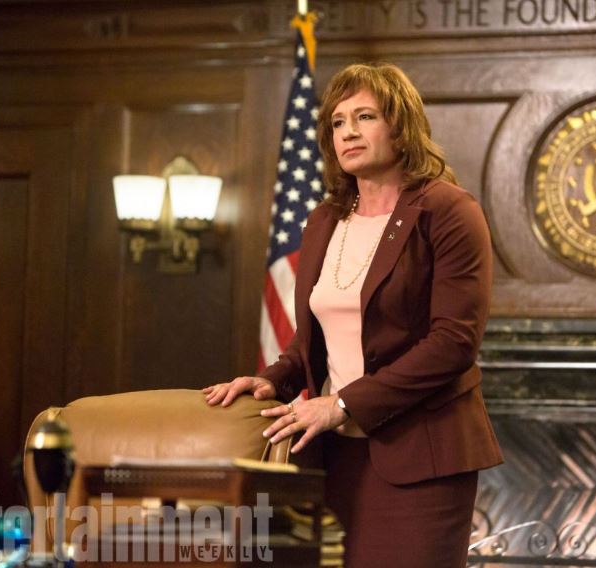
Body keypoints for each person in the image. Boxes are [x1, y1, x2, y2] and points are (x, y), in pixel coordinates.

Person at [204, 62, 502, 567]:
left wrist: (341, 404)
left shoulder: (449, 211)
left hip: (423, 455)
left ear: (401, 127)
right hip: (340, 457)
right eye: (338, 122)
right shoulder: (325, 220)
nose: (348, 132)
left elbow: (453, 343)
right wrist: (272, 379)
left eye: (365, 117)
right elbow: (319, 335)